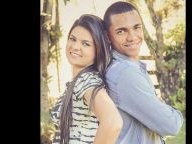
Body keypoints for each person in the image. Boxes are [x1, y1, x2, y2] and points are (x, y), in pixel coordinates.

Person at [103, 2, 184, 144]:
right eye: (121, 31)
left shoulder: (128, 67)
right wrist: (170, 111)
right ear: (108, 36)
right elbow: (172, 125)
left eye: (136, 27)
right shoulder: (125, 74)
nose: (132, 37)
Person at [50, 14, 123, 144]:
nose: (75, 47)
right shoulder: (80, 81)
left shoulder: (86, 80)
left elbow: (113, 122)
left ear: (98, 49)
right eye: (73, 39)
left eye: (86, 44)